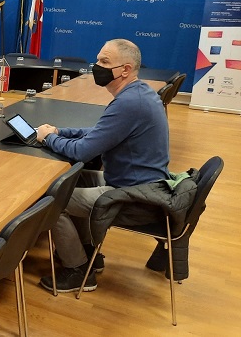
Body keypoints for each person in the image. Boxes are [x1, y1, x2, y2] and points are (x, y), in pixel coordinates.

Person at [34, 38, 170, 293]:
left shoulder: (129, 103)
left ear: (125, 70)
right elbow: (99, 132)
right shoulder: (138, 93)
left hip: (132, 195)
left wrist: (48, 138)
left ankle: (77, 270)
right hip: (138, 182)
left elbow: (83, 151)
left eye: (104, 62)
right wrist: (60, 131)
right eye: (98, 59)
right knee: (74, 179)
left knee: (50, 201)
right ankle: (88, 254)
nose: (96, 66)